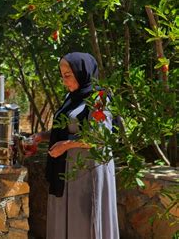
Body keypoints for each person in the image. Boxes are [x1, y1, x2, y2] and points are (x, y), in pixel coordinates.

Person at [28, 52, 119, 239]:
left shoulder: (99, 99)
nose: (64, 81)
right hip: (68, 172)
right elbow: (66, 128)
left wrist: (66, 145)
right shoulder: (73, 97)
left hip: (88, 171)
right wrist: (42, 136)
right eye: (62, 76)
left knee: (85, 220)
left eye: (67, 75)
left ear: (82, 71)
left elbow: (100, 137)